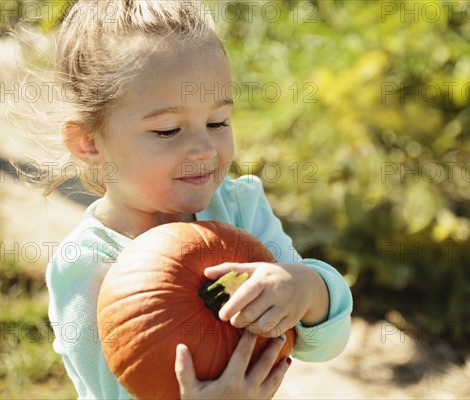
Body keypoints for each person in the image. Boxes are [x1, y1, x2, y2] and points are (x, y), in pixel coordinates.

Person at [43, 1, 353, 398]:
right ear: (88, 143)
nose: (205, 148)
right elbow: (113, 387)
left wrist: (307, 288)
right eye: (169, 130)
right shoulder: (85, 264)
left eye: (218, 122)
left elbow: (325, 342)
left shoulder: (239, 207)